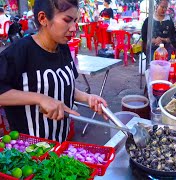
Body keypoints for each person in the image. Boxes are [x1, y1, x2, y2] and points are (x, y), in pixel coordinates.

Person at [0, 0, 108, 143]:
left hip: (59, 145)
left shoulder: (63, 48)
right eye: (67, 20)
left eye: (75, 21)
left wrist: (87, 98)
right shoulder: (19, 52)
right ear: (43, 18)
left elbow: (61, 86)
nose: (74, 28)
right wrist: (40, 98)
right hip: (28, 151)